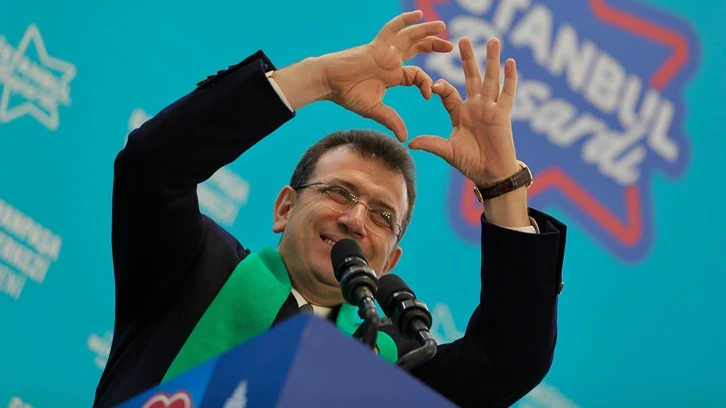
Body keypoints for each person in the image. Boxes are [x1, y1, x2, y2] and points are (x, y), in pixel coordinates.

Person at [94, 10, 566, 408]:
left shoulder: (396, 361)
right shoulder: (193, 267)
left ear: (390, 261)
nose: (355, 220)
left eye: (383, 216)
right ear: (285, 207)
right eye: (340, 192)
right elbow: (153, 166)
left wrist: (503, 187)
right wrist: (318, 79)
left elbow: (509, 360)